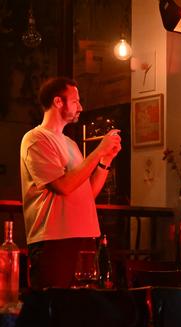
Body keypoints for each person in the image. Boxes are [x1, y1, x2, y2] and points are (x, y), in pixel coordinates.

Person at [20, 77, 121, 289]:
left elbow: (88, 193)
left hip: (82, 236)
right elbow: (62, 186)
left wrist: (105, 160)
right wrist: (99, 150)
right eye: (75, 101)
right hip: (55, 239)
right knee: (54, 309)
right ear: (58, 102)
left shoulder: (70, 143)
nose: (80, 107)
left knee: (81, 313)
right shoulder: (36, 139)